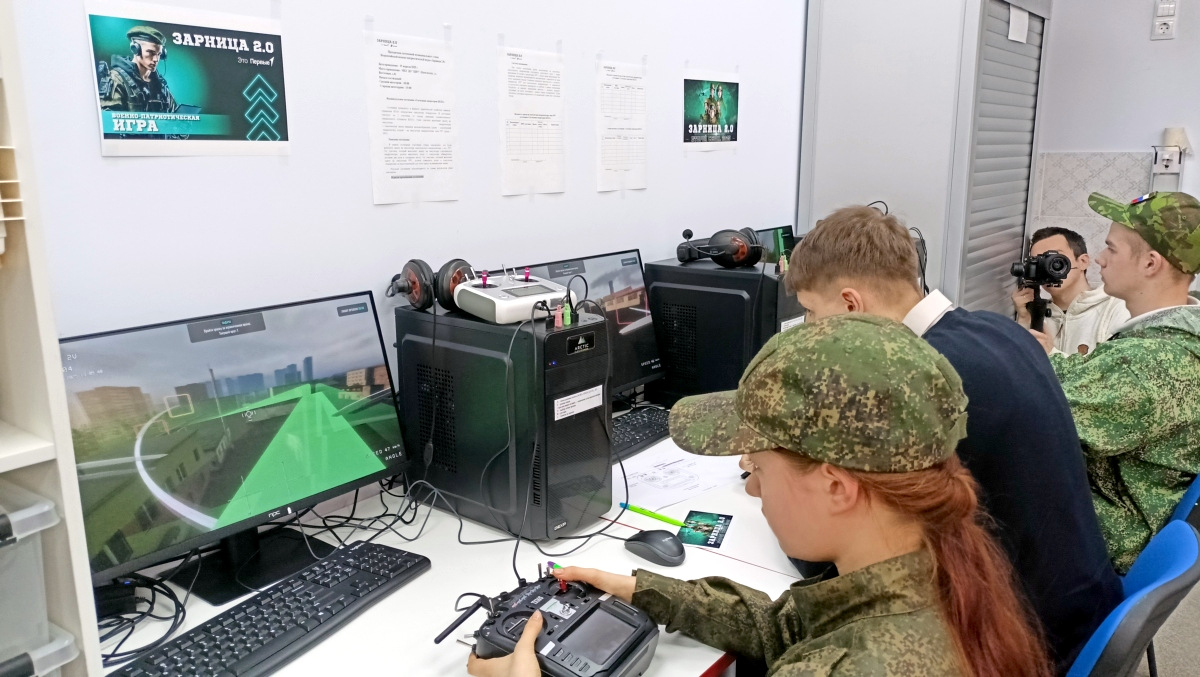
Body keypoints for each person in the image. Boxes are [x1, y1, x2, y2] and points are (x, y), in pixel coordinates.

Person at [468, 314, 1053, 677]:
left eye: (762, 467)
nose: (752, 486)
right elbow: (788, 630)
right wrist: (644, 590)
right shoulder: (936, 570)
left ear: (836, 486)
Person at [784, 206, 1122, 672]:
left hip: (1025, 643)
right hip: (1082, 609)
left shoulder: (916, 379)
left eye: (810, 312)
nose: (809, 329)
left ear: (850, 305)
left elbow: (837, 557)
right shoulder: (998, 330)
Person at [1030, 191, 1200, 574]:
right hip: (1122, 513)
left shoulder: (1150, 360)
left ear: (1150, 263)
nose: (1100, 259)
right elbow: (1092, 384)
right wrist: (1047, 356)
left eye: (1111, 248)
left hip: (1104, 542)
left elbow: (1043, 416)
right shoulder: (1173, 333)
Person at [1011, 226, 1129, 355]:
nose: (1046, 267)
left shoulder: (1117, 309)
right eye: (1039, 261)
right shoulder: (1036, 313)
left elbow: (1115, 366)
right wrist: (1025, 321)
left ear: (1083, 261)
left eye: (1055, 260)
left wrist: (1051, 352)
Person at [97, 26, 178, 113]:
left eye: (159, 54)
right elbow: (109, 118)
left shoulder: (160, 85)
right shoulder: (117, 79)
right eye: (151, 53)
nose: (156, 59)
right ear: (135, 49)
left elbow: (176, 115)